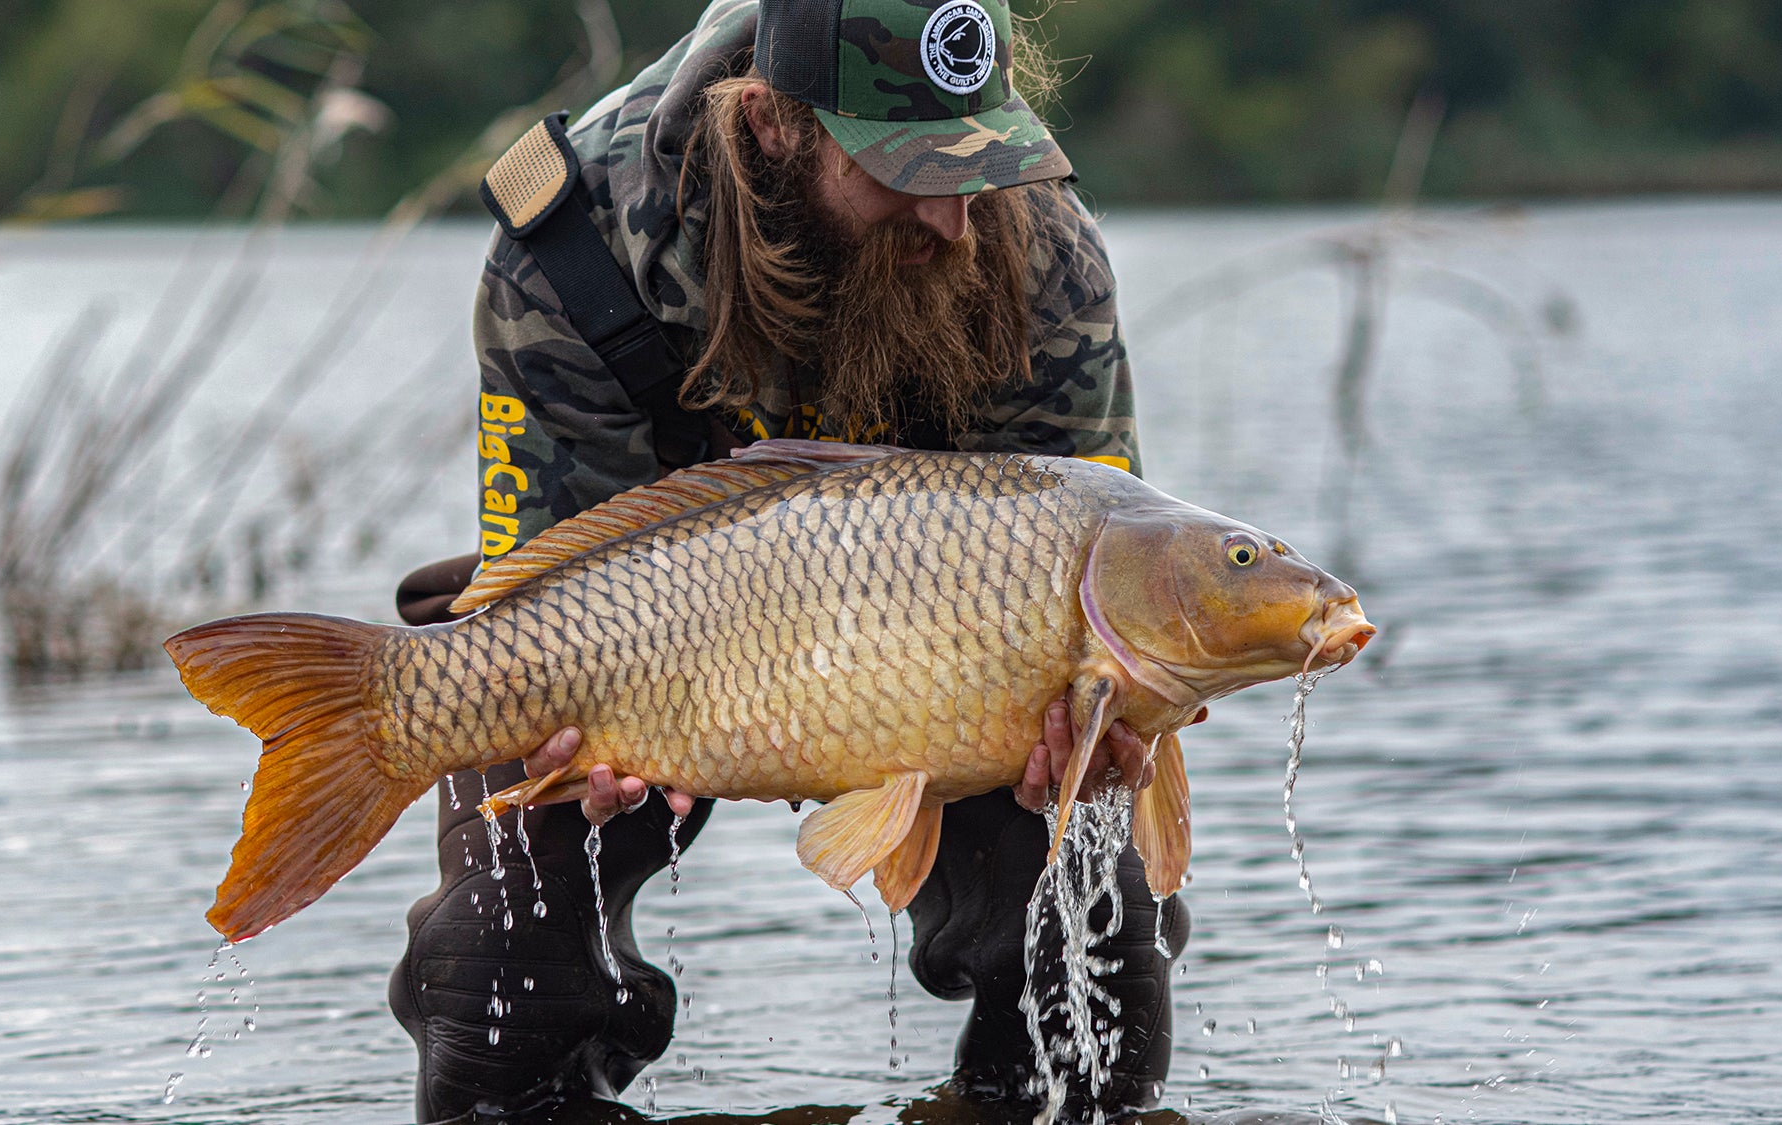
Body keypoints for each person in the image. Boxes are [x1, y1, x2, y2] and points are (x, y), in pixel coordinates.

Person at [387, 0, 1191, 1119]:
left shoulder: (1043, 252)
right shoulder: (573, 244)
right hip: (656, 645)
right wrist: (577, 735)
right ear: (771, 123)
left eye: (978, 160)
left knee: (1098, 950)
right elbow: (546, 575)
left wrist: (1107, 723)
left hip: (958, 651)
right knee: (496, 978)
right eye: (906, 169)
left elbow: (1099, 557)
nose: (953, 217)